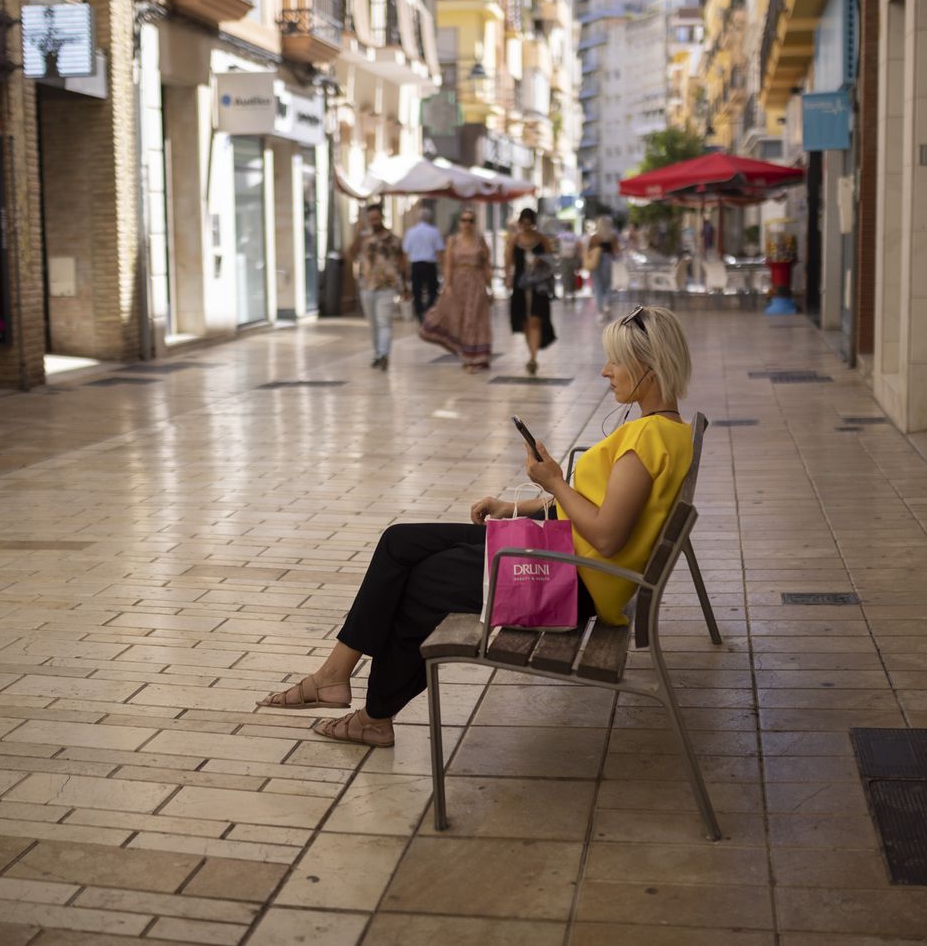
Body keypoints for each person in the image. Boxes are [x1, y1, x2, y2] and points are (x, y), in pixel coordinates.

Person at [256, 305, 695, 748]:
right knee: (400, 542)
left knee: (422, 582)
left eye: (616, 361)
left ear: (649, 364)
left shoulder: (646, 439)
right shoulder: (666, 431)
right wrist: (515, 506)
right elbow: (596, 507)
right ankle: (335, 675)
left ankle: (372, 716)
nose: (605, 371)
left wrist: (556, 482)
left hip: (569, 581)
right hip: (563, 556)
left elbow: (607, 536)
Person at [417, 208, 492, 373]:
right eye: (464, 220)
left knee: (473, 319)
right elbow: (448, 265)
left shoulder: (480, 240)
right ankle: (464, 352)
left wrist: (490, 286)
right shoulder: (453, 241)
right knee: (458, 318)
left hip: (476, 283)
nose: (467, 224)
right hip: (458, 283)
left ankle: (474, 358)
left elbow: (486, 264)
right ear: (459, 223)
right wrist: (447, 285)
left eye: (470, 220)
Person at [350, 203, 407, 370]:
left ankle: (384, 354)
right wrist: (357, 232)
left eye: (376, 218)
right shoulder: (364, 239)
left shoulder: (394, 240)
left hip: (387, 287)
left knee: (384, 322)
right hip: (367, 286)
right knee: (374, 324)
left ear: (382, 217)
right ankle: (377, 354)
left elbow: (402, 264)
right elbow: (352, 254)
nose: (374, 221)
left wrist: (405, 286)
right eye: (371, 219)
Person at [506, 207, 557, 376]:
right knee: (525, 321)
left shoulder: (541, 239)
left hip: (538, 286)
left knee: (536, 319)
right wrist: (508, 278)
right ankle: (531, 353)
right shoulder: (515, 240)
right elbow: (508, 260)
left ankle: (533, 358)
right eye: (524, 223)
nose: (526, 227)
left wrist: (540, 261)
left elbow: (551, 261)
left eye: (529, 223)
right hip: (520, 286)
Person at [403, 206, 444, 322]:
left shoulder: (411, 232)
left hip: (416, 265)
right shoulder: (434, 232)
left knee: (417, 291)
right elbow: (440, 251)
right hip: (429, 265)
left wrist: (407, 268)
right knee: (433, 290)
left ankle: (420, 312)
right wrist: (441, 266)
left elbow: (405, 251)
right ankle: (427, 310)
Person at [585, 216, 619, 321]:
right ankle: (607, 305)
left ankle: (600, 312)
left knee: (598, 287)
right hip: (608, 260)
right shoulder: (612, 237)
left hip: (595, 261)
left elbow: (588, 251)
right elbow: (616, 251)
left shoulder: (594, 237)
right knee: (608, 285)